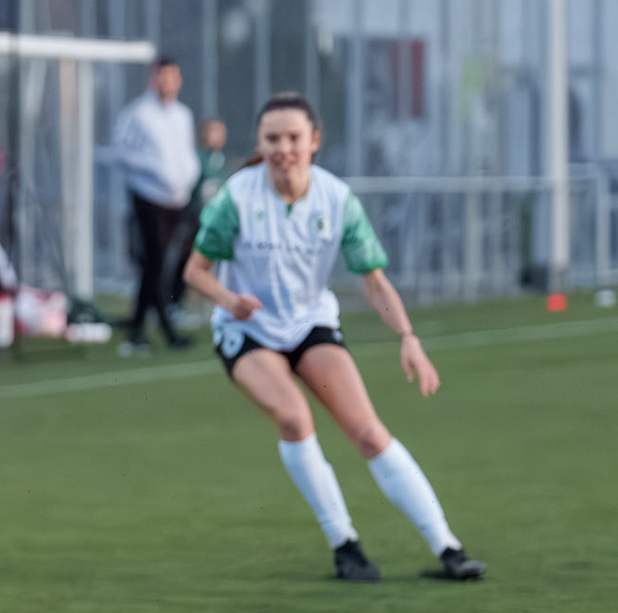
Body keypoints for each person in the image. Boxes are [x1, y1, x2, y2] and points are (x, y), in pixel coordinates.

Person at [182, 93, 486, 584]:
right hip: (247, 329)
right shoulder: (236, 197)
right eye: (272, 138)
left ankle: (447, 546)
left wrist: (407, 335)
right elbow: (194, 271)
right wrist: (228, 299)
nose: (283, 148)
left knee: (367, 432)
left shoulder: (336, 199)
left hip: (309, 325)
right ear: (259, 144)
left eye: (294, 138)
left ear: (314, 141)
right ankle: (344, 544)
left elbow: (374, 281)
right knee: (295, 416)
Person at [114, 57, 198, 354]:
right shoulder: (138, 114)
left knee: (162, 263)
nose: (167, 82)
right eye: (162, 76)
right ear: (153, 79)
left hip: (177, 199)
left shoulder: (182, 115)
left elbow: (185, 154)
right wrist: (155, 170)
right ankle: (166, 328)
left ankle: (138, 327)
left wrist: (187, 175)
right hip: (148, 197)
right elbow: (122, 151)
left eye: (172, 76)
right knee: (155, 262)